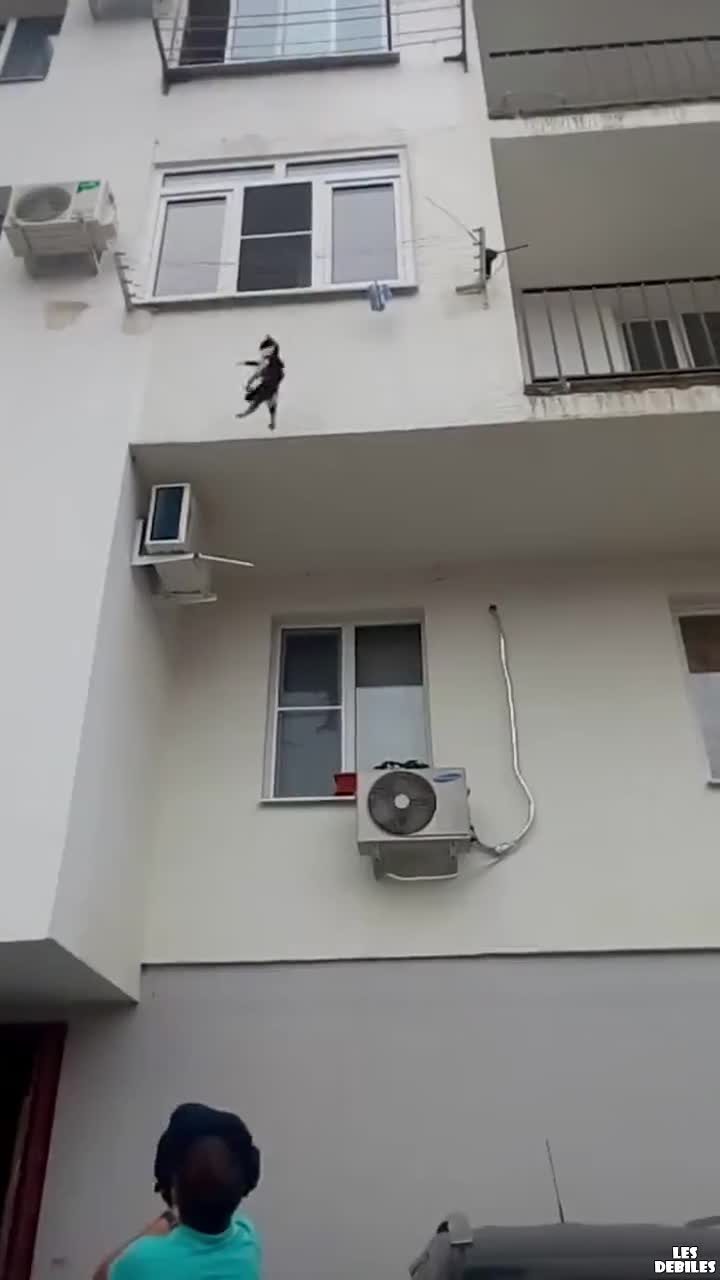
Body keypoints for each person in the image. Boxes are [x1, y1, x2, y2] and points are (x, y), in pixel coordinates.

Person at [93, 1104, 261, 1280]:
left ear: (173, 1189)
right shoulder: (248, 1240)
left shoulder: (139, 1262)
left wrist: (168, 1219)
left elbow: (100, 1276)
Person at [235, 335, 284, 430]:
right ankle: (273, 423)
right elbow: (268, 408)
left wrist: (244, 414)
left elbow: (254, 406)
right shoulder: (269, 361)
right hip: (272, 378)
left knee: (270, 404)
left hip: (271, 379)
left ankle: (273, 423)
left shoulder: (262, 394)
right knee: (271, 405)